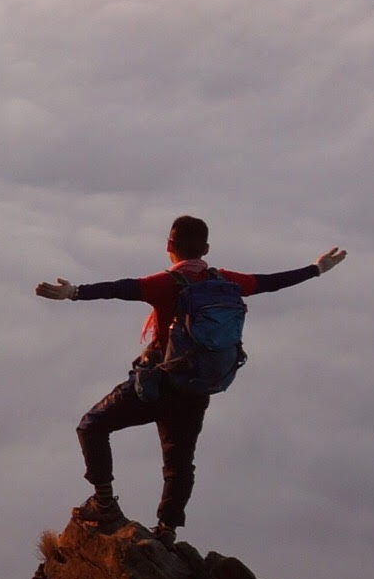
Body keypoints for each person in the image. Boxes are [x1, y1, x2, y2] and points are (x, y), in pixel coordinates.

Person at [35, 216, 345, 542]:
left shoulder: (167, 283)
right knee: (180, 461)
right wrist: (316, 268)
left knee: (92, 425)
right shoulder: (226, 281)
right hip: (199, 386)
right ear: (207, 248)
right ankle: (167, 529)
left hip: (156, 385)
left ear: (169, 246)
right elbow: (270, 281)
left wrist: (74, 292)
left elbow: (121, 288)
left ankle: (104, 502)